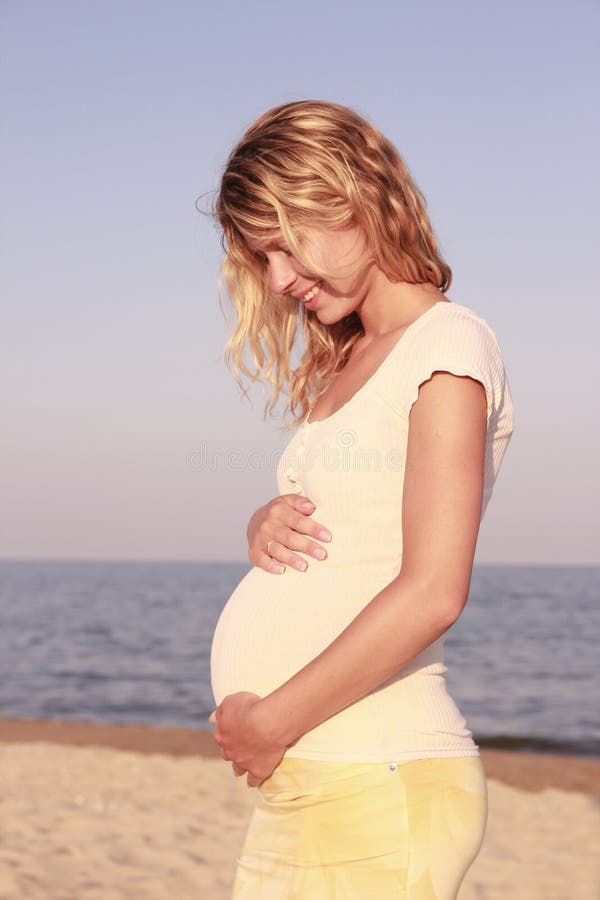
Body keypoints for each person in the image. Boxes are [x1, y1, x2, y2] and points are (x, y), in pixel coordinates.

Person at [208, 99, 514, 899]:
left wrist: (269, 721)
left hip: (377, 771)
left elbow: (434, 590)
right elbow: (355, 531)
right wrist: (262, 525)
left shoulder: (448, 346)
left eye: (283, 246)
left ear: (353, 198)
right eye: (259, 258)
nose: (276, 280)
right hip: (325, 774)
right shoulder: (354, 359)